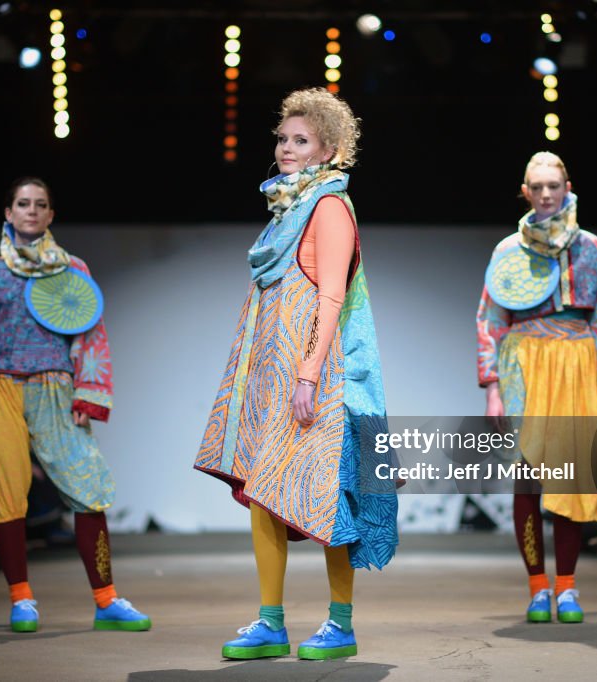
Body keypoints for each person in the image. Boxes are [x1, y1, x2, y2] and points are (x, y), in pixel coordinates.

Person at [195, 88, 397, 660]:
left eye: (300, 140)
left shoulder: (329, 206)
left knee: (328, 499)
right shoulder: (287, 209)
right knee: (265, 493)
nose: (286, 148)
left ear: (328, 149)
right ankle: (270, 622)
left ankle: (340, 623)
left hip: (318, 378)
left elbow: (331, 296)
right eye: (283, 139)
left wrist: (308, 374)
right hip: (274, 375)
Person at [0, 176, 149, 633]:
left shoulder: (72, 269)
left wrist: (89, 391)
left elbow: (89, 333)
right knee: (7, 490)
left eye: (40, 204)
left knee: (87, 486)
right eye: (22, 203)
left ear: (51, 215)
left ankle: (107, 598)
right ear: (8, 212)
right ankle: (21, 599)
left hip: (55, 386)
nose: (31, 211)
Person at [477, 151, 597, 623]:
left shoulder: (592, 249)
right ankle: (536, 587)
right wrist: (493, 387)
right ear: (525, 191)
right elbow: (489, 321)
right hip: (523, 365)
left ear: (567, 188)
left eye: (553, 186)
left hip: (577, 365)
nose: (545, 195)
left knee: (571, 476)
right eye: (537, 187)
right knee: (528, 479)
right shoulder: (508, 251)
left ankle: (567, 587)